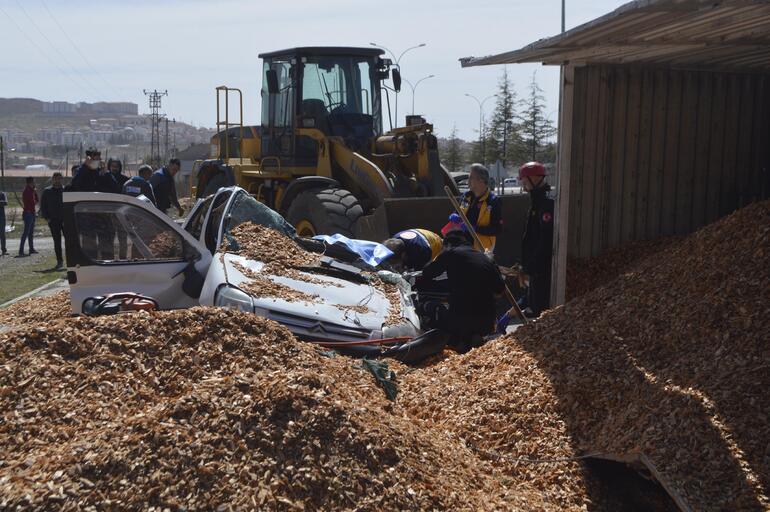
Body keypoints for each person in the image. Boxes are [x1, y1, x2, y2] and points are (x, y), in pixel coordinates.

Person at [419, 229, 505, 353]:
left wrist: (442, 256)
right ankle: (472, 338)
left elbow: (427, 272)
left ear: (448, 245)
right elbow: (500, 289)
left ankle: (460, 340)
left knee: (435, 309)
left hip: (461, 317)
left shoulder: (451, 253)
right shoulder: (485, 258)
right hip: (487, 318)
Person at [496, 161, 554, 331]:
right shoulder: (536, 205)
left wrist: (531, 266)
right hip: (535, 268)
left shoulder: (546, 206)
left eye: (525, 181)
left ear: (534, 178)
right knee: (532, 300)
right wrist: (509, 314)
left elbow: (545, 240)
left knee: (539, 308)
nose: (523, 185)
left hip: (541, 268)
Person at [452, 163, 502, 254]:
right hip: (463, 245)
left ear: (481, 180)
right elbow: (458, 212)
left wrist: (474, 229)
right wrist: (455, 216)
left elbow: (497, 229)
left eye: (471, 177)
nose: (468, 180)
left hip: (482, 249)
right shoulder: (466, 196)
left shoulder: (493, 201)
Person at [41, 172, 65, 268]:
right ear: (52, 179)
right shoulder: (47, 191)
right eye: (55, 178)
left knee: (69, 241)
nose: (57, 180)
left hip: (65, 220)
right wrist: (47, 218)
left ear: (61, 179)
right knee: (57, 241)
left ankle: (72, 261)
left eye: (59, 178)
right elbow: (43, 206)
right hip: (53, 221)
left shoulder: (65, 190)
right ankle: (59, 261)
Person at [18, 177, 38, 257]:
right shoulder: (27, 191)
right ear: (30, 183)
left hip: (32, 213)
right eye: (33, 182)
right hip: (28, 214)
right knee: (26, 233)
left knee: (31, 233)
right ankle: (21, 250)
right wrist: (35, 194)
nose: (34, 183)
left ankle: (31, 248)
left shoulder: (31, 191)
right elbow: (33, 202)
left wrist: (35, 192)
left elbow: (36, 200)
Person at [0, 189, 7, 256]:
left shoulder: (2, 194)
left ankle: (3, 250)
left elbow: (5, 202)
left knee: (2, 234)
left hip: (2, 217)